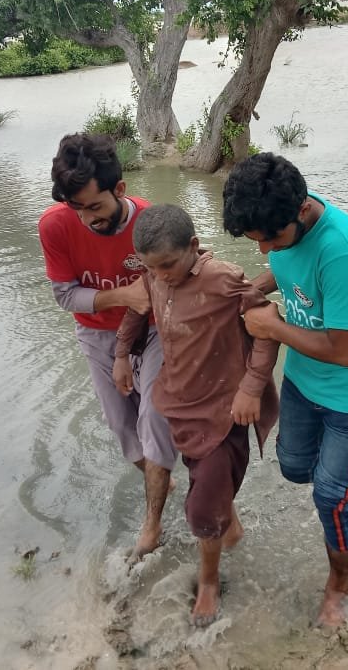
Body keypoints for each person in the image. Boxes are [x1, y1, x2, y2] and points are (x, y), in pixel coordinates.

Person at [221, 152, 348, 629]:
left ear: (301, 213)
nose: (263, 251)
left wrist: (273, 327)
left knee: (332, 498)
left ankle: (339, 585)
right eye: (255, 242)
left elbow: (347, 352)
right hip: (304, 380)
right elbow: (287, 264)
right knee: (295, 468)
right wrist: (256, 289)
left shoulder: (343, 249)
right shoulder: (284, 218)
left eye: (268, 240)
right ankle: (344, 492)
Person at [112, 204, 279, 627]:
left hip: (225, 414)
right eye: (153, 268)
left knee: (201, 511)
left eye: (168, 265)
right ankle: (230, 521)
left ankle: (208, 582)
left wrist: (251, 387)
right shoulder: (155, 277)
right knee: (204, 482)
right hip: (179, 405)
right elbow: (135, 310)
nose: (161, 275)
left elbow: (266, 322)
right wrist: (119, 355)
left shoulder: (222, 279)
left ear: (192, 246)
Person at [38, 133, 178, 558]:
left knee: (153, 421)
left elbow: (178, 278)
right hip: (96, 331)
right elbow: (65, 296)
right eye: (76, 208)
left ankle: (151, 524)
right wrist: (121, 296)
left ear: (120, 190)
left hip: (152, 329)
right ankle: (161, 477)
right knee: (122, 427)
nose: (86, 220)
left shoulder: (149, 223)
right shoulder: (55, 224)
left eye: (95, 207)